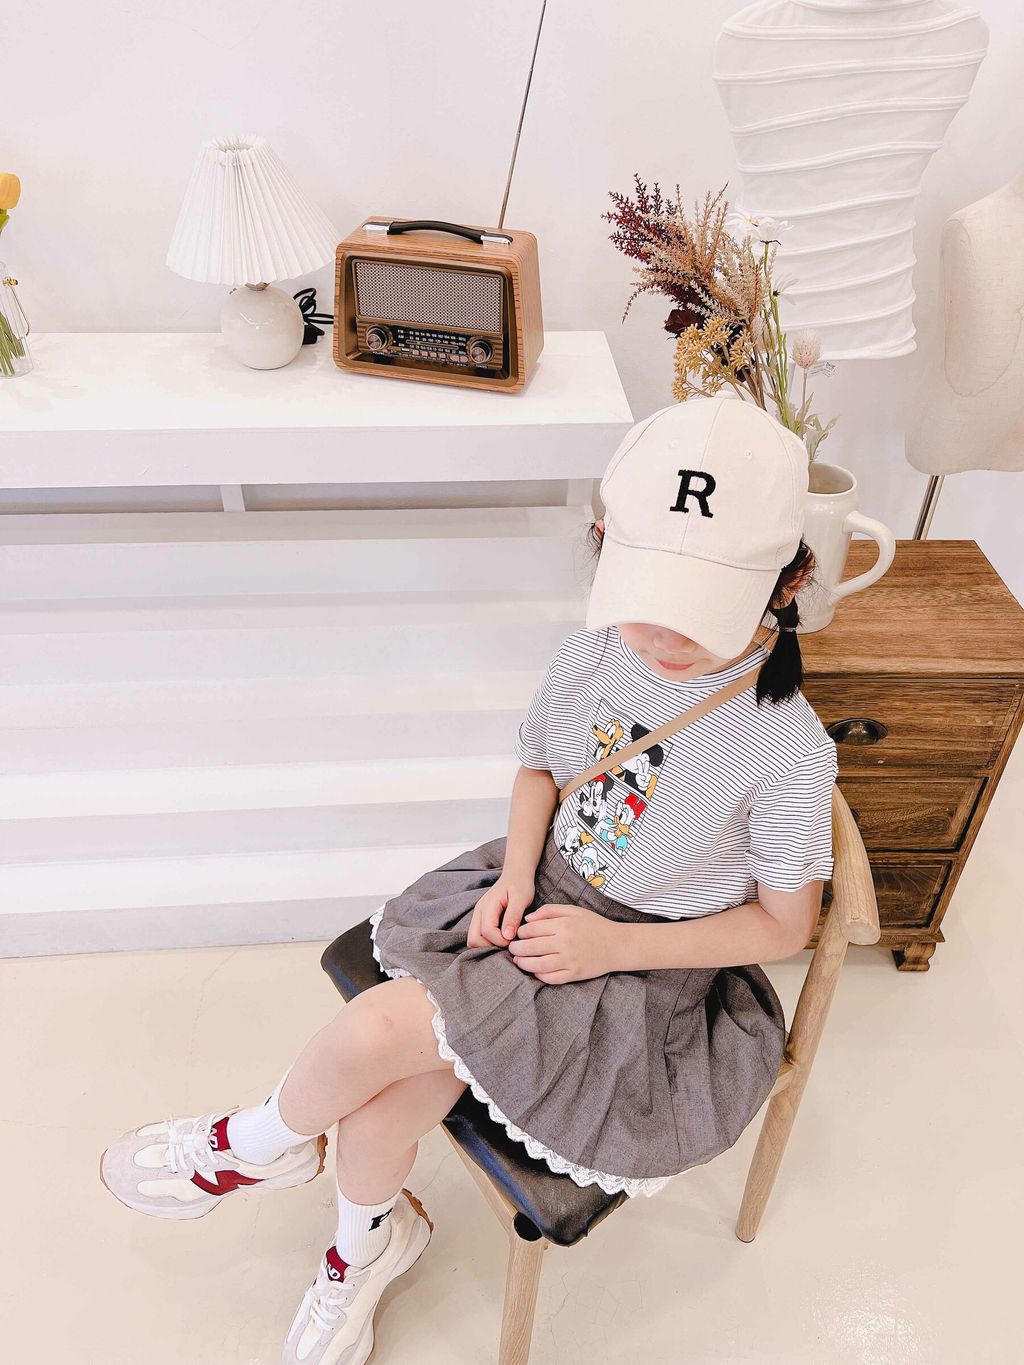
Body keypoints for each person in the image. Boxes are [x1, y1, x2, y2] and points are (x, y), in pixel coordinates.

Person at [100, 394, 839, 1364]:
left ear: (787, 581)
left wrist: (613, 944)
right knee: (372, 1120)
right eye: (644, 596)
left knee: (373, 1036)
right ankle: (365, 1247)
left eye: (694, 611)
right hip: (538, 901)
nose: (661, 635)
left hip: (638, 973)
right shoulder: (595, 653)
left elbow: (784, 927)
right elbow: (540, 769)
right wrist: (518, 873)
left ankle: (258, 1141)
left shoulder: (786, 750)